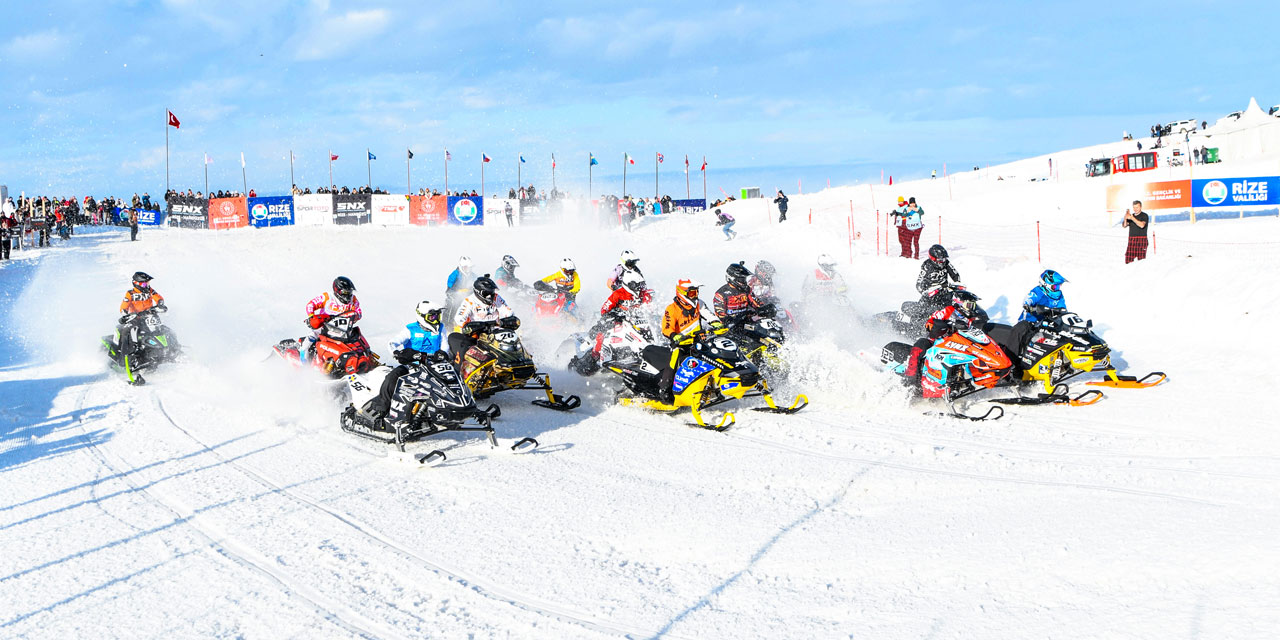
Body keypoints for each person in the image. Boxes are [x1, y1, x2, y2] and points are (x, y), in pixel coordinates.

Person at [368, 301, 449, 419]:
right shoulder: (410, 329)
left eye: (437, 316)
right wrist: (396, 353)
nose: (436, 320)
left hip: (434, 366)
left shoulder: (441, 328)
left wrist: (442, 353)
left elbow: (445, 346)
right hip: (412, 366)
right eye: (432, 317)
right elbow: (393, 342)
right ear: (422, 316)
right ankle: (381, 408)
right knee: (392, 378)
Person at [902, 289, 984, 393]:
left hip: (962, 344)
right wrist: (939, 326)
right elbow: (931, 321)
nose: (971, 308)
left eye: (973, 305)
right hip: (939, 341)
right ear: (959, 303)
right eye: (969, 305)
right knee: (920, 345)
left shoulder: (971, 317)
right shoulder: (948, 311)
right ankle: (910, 379)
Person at [658, 279, 722, 403]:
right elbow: (666, 327)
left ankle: (715, 385)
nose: (695, 295)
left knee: (714, 355)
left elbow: (709, 315)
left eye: (696, 292)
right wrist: (673, 335)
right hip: (680, 344)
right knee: (675, 358)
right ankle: (665, 389)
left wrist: (716, 323)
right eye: (692, 293)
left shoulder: (699, 304)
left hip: (698, 342)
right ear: (682, 293)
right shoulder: (672, 309)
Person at [448, 275, 518, 364]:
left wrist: (506, 321)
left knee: (513, 338)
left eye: (491, 293)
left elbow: (508, 311)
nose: (490, 296)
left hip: (496, 331)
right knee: (465, 347)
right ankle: (463, 369)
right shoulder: (469, 301)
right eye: (486, 294)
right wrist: (471, 326)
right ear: (478, 292)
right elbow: (459, 318)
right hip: (477, 333)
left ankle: (521, 361)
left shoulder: (496, 298)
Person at [586, 271, 654, 363]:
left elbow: (650, 306)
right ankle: (595, 356)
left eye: (640, 285)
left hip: (637, 321)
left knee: (650, 332)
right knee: (602, 331)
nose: (639, 288)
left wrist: (651, 310)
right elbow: (605, 309)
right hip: (619, 320)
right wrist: (613, 314)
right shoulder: (618, 294)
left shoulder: (643, 294)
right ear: (629, 284)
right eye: (636, 285)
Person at [116, 272, 168, 384]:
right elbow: (124, 307)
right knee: (126, 333)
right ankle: (124, 359)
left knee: (165, 330)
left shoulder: (150, 290)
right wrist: (126, 314)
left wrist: (160, 303)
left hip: (150, 316)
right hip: (135, 318)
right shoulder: (130, 293)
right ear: (136, 284)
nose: (147, 286)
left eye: (147, 283)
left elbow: (158, 297)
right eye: (144, 284)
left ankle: (173, 350)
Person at [302, 276, 362, 364]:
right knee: (308, 342)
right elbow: (310, 305)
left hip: (344, 329)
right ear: (337, 290)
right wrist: (312, 317)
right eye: (345, 292)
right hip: (324, 327)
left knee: (358, 340)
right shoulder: (327, 297)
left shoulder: (353, 299)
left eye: (350, 292)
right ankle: (304, 366)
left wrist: (356, 316)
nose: (348, 295)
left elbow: (359, 312)